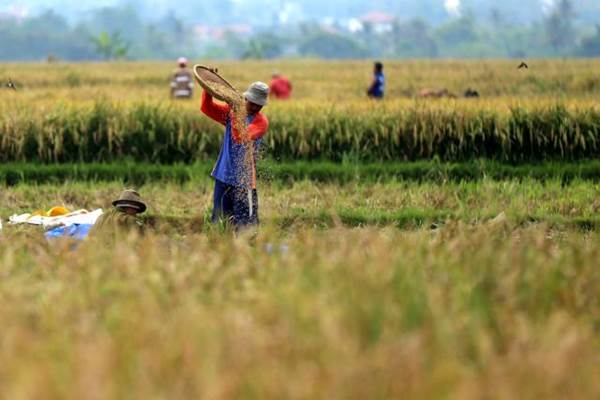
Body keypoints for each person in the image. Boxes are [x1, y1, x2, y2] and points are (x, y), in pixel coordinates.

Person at [200, 76, 270, 229]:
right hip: (223, 175)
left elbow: (241, 137)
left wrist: (235, 112)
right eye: (252, 103)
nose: (255, 108)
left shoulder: (260, 122)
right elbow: (207, 108)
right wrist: (208, 89)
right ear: (246, 98)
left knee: (246, 228)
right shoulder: (232, 112)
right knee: (220, 224)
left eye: (259, 105)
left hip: (244, 182)